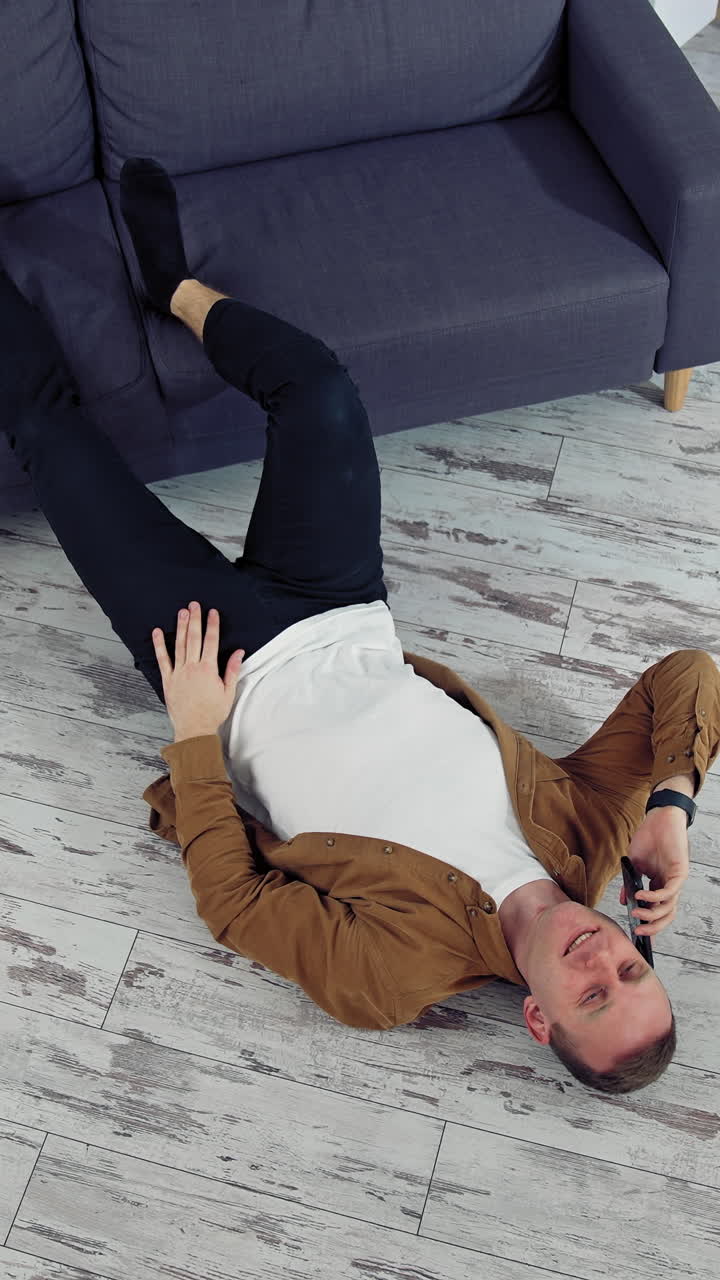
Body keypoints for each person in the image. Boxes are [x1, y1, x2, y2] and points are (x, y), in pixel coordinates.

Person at [2, 159, 718, 1095]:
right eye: (629, 969)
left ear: (539, 1021)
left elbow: (235, 903)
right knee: (320, 390)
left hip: (222, 668)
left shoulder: (393, 979)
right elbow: (688, 673)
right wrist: (672, 803)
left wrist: (194, 734)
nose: (602, 960)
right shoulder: (592, 839)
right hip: (342, 605)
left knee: (55, 445)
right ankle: (172, 288)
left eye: (591, 996)